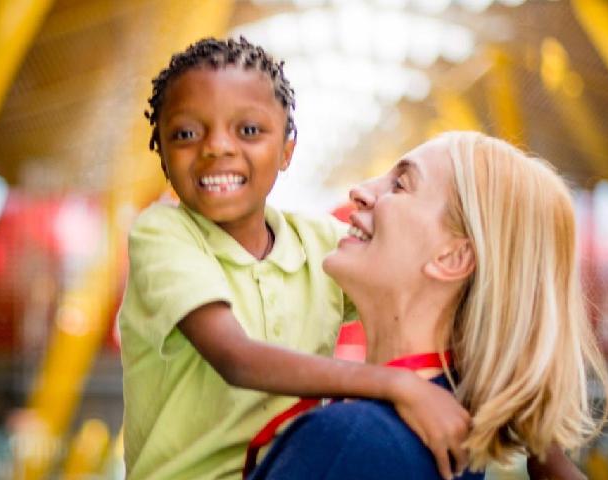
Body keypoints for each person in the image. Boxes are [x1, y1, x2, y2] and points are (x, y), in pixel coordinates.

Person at [117, 37, 470, 480]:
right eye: (186, 133)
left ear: (287, 151)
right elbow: (237, 358)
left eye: (248, 130)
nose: (216, 147)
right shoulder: (162, 235)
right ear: (162, 156)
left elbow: (446, 293)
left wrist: (537, 436)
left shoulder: (318, 242)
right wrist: (397, 384)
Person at [250, 131, 608, 479]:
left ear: (453, 257)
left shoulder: (349, 442)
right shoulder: (448, 427)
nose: (359, 191)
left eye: (400, 184)